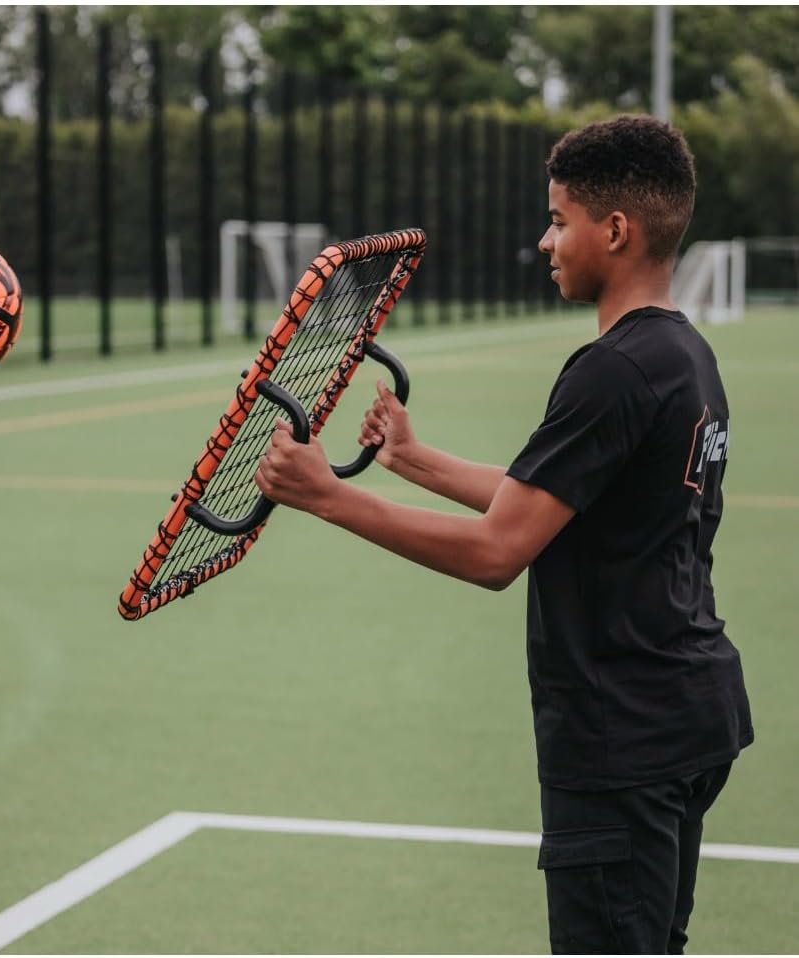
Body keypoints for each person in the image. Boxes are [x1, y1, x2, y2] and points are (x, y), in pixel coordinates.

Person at [254, 114, 753, 954]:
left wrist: (325, 499)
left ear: (616, 230)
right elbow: (562, 501)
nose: (544, 240)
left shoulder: (613, 370)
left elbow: (498, 552)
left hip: (620, 736)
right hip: (686, 718)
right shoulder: (682, 356)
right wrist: (413, 460)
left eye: (560, 220)